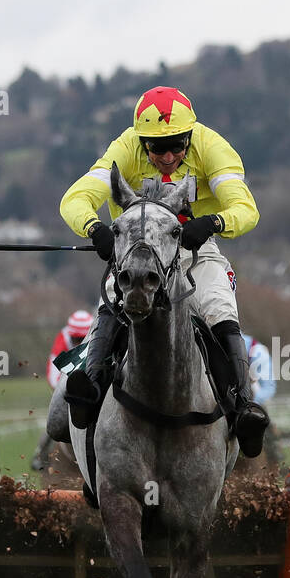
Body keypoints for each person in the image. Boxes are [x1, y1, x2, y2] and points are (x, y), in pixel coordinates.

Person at [57, 85, 269, 457]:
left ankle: (241, 406)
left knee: (219, 306)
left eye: (177, 145)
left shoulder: (213, 148)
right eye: (157, 148)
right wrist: (95, 229)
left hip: (194, 252)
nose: (168, 156)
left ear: (191, 136)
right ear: (142, 143)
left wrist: (214, 222)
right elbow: (75, 199)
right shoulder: (123, 148)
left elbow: (246, 209)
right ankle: (89, 386)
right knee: (113, 304)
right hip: (136, 257)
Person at [34, 310, 94, 471]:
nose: (78, 343)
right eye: (75, 339)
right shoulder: (63, 337)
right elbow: (53, 369)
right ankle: (40, 453)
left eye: (81, 339)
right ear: (70, 335)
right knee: (55, 413)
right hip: (66, 379)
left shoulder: (96, 332)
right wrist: (62, 388)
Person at [243, 332, 276, 404]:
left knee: (267, 389)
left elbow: (268, 390)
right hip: (253, 353)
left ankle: (249, 406)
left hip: (255, 354)